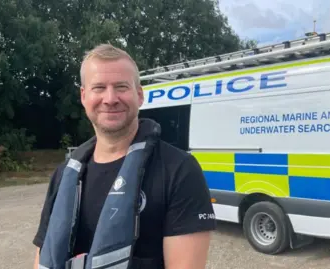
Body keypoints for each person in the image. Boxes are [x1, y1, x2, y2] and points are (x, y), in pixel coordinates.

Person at [32, 44, 216, 269]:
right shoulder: (63, 175)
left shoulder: (179, 170)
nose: (110, 98)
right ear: (83, 96)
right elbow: (41, 257)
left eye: (121, 87)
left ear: (139, 95)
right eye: (99, 87)